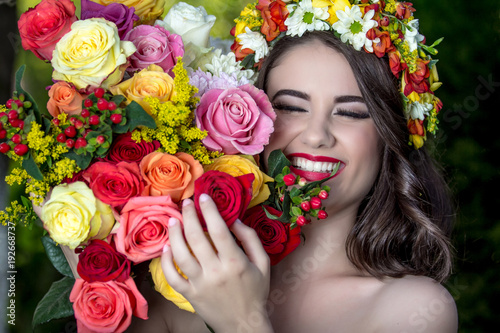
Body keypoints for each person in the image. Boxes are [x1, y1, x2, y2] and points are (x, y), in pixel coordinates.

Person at [128, 28, 457, 332]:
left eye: (351, 113)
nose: (316, 136)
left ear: (388, 139)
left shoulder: (413, 308)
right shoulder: (172, 281)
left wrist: (242, 322)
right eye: (290, 107)